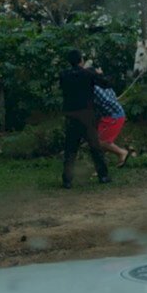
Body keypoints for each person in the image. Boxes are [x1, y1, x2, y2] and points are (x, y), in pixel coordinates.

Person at [59, 49, 112, 189]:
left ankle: (67, 180)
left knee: (70, 149)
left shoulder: (64, 75)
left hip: (70, 115)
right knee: (95, 147)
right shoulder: (88, 74)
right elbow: (106, 83)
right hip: (87, 115)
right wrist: (99, 73)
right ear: (81, 60)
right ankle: (103, 175)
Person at [91, 71, 129, 168]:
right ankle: (101, 167)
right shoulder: (105, 85)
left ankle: (121, 152)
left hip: (114, 116)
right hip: (109, 115)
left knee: (100, 142)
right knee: (98, 140)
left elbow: (103, 100)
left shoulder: (94, 88)